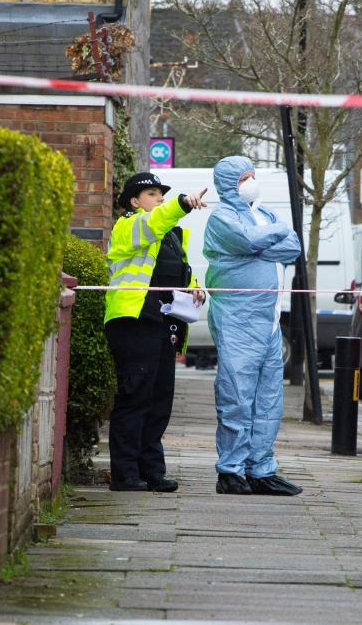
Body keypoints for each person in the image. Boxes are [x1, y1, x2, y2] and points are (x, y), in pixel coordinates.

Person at [203, 156, 304, 496]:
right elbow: (246, 241)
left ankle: (261, 469)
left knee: (268, 399)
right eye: (246, 177)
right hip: (237, 318)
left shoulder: (264, 214)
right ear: (230, 182)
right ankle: (230, 470)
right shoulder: (222, 217)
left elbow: (293, 247)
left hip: (270, 320)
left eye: (253, 176)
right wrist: (271, 236)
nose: (252, 182)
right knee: (236, 395)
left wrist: (264, 241)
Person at [104, 172, 208, 492]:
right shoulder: (130, 225)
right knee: (135, 397)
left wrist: (193, 289)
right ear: (134, 202)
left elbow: (176, 271)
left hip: (164, 323)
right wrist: (180, 203)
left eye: (162, 194)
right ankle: (125, 473)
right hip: (133, 320)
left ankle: (152, 470)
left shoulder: (172, 234)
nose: (159, 198)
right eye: (152, 193)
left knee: (159, 401)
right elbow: (154, 222)